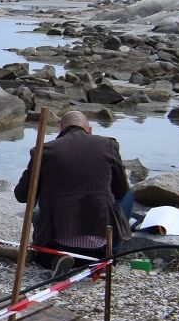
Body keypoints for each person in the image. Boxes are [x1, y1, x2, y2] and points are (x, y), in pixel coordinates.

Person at [15, 110, 132, 267]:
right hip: (98, 250)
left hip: (54, 245)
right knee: (129, 195)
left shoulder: (45, 150)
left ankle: (54, 257)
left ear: (60, 128)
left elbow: (22, 195)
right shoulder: (108, 145)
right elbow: (121, 190)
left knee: (38, 198)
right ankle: (110, 256)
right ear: (89, 129)